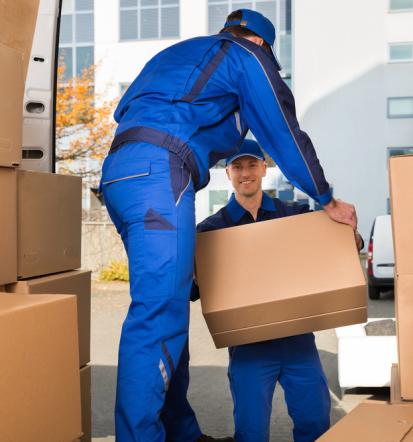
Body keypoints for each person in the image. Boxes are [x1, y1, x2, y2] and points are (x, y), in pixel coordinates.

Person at [100, 8, 358, 442]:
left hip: (121, 175)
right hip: (161, 172)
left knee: (167, 304)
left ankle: (180, 432)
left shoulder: (179, 55)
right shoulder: (245, 55)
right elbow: (282, 128)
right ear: (261, 44)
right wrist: (325, 196)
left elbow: (129, 113)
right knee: (157, 315)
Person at [194, 139, 363, 442]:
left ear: (264, 168)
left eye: (251, 165)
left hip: (298, 342)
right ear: (228, 173)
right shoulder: (211, 231)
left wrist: (353, 236)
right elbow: (194, 290)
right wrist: (189, 272)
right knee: (251, 432)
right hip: (249, 349)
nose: (245, 173)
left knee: (315, 423)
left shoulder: (294, 215)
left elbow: (335, 245)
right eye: (237, 167)